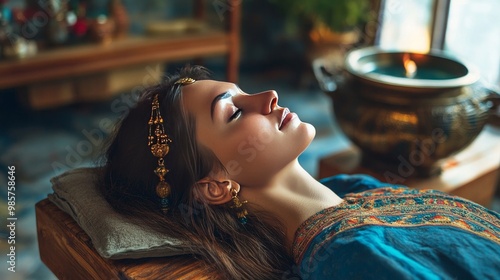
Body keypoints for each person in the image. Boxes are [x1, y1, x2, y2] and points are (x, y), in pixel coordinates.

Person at [98, 65, 500, 279]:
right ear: (216, 186)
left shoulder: (349, 187)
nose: (267, 97)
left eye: (242, 91)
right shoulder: (350, 259)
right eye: (234, 111)